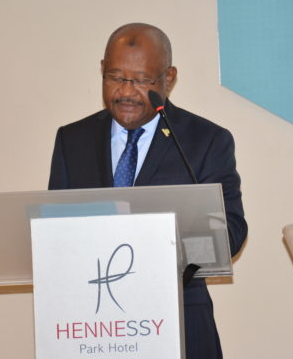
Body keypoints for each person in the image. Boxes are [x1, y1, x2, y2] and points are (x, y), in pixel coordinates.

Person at [48, 22, 247, 359]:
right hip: (92, 323)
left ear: (168, 78)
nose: (126, 91)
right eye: (115, 77)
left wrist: (159, 244)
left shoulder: (204, 141)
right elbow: (55, 231)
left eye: (141, 80)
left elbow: (231, 233)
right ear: (102, 70)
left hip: (180, 318)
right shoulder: (73, 139)